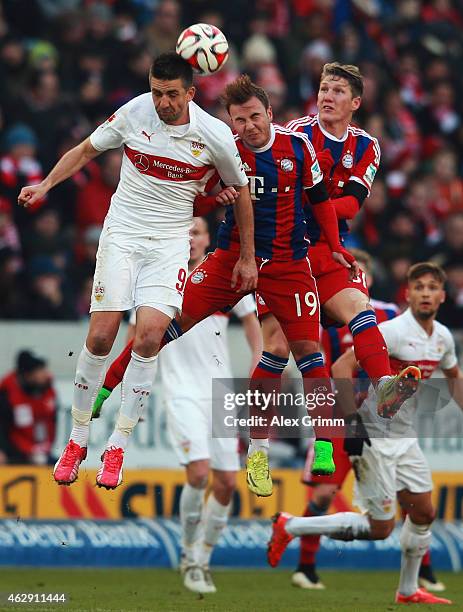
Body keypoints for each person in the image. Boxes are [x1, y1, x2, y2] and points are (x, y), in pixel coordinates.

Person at [92, 74, 358, 496]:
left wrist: (336, 246)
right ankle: (104, 387)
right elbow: (195, 200)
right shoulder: (223, 150)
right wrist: (212, 200)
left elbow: (321, 201)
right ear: (230, 123)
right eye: (239, 120)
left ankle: (313, 445)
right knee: (161, 328)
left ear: (269, 114)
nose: (249, 126)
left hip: (288, 264)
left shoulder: (298, 147)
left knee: (308, 354)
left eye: (255, 117)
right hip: (229, 261)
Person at [17, 52, 256, 490]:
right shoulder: (134, 111)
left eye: (170, 94)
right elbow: (87, 149)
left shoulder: (214, 135)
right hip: (122, 233)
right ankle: (77, 439)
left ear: (190, 92)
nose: (161, 102)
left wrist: (247, 256)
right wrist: (46, 184)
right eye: (156, 91)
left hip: (169, 243)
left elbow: (240, 191)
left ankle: (118, 445)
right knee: (101, 336)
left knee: (148, 337)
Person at [255, 63, 419, 477]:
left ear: (356, 103)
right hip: (280, 250)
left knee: (361, 309)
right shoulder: (294, 133)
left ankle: (384, 386)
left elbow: (352, 205)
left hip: (326, 250)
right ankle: (258, 447)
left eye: (338, 91)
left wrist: (313, 198)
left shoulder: (367, 145)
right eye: (324, 88)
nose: (327, 96)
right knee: (279, 348)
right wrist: (318, 197)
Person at [268, 262, 463, 605]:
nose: (426, 294)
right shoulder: (393, 331)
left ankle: (407, 590)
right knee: (381, 528)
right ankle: (290, 525)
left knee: (424, 513)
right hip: (373, 435)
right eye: (419, 288)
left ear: (443, 296)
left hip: (406, 437)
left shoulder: (443, 338)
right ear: (408, 294)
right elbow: (342, 367)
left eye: (432, 288)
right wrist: (352, 421)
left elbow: (453, 378)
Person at [95, 217, 261, 594]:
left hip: (221, 393)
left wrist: (258, 368)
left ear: (208, 238)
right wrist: (120, 381)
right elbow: (136, 336)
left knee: (226, 483)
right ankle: (188, 554)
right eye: (185, 230)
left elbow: (254, 327)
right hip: (181, 390)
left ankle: (203, 557)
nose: (190, 237)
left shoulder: (226, 274)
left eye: (197, 231)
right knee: (199, 474)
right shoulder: (159, 277)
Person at [0, 350, 57, 465]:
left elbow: (52, 422)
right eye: (40, 370)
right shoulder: (7, 393)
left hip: (40, 451)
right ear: (27, 375)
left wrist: (41, 449)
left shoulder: (48, 390)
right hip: (13, 453)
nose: (45, 374)